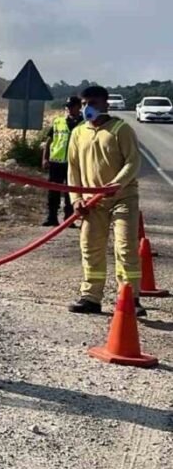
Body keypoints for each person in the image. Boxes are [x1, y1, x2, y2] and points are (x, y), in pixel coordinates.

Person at [66, 85, 145, 317]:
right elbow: (74, 169)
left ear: (105, 105)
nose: (88, 108)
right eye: (84, 104)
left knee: (125, 246)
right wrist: (76, 199)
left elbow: (133, 162)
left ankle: (130, 298)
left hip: (123, 198)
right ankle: (90, 297)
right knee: (90, 247)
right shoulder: (78, 133)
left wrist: (117, 184)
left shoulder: (121, 130)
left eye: (93, 103)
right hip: (92, 201)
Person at [40, 96, 83, 227]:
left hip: (74, 164)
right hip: (56, 162)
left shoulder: (85, 124)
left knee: (71, 192)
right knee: (53, 192)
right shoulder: (58, 122)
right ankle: (51, 217)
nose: (69, 109)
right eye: (67, 107)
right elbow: (49, 141)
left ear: (79, 107)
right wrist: (45, 158)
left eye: (72, 106)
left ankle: (69, 219)